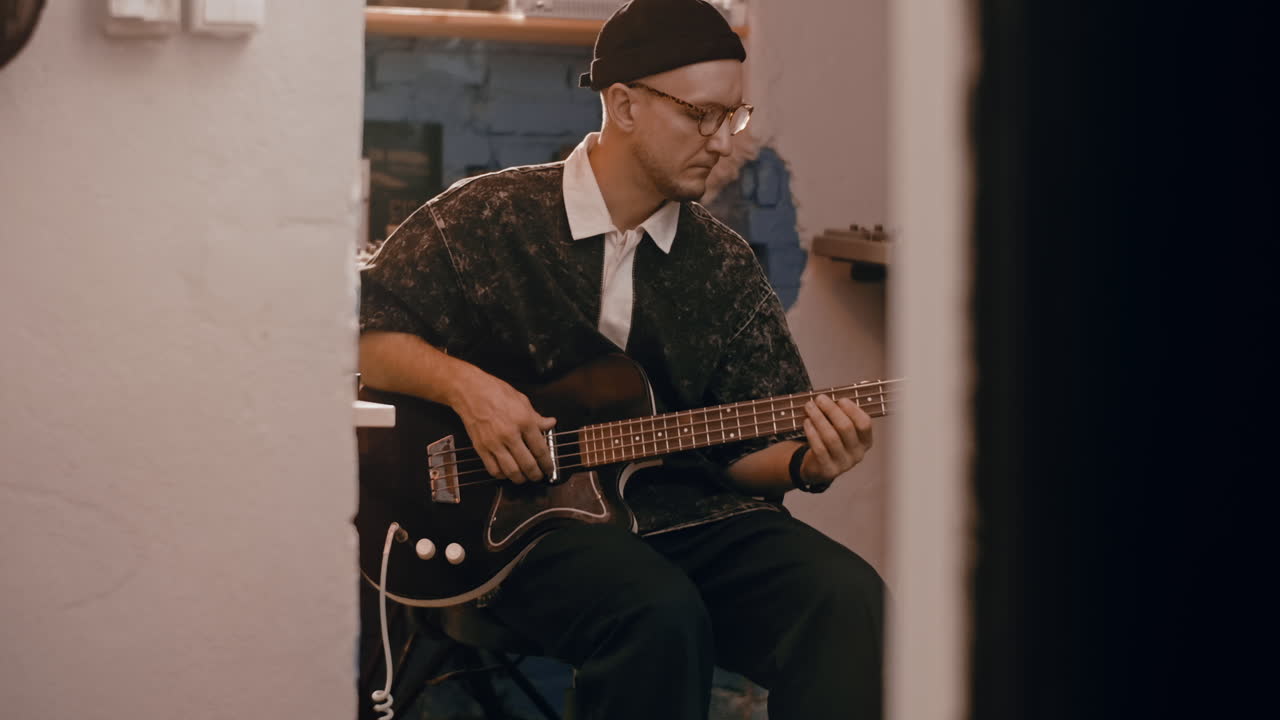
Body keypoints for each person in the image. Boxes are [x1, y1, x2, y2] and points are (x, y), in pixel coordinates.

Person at [357, 1, 885, 717]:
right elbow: (366, 337)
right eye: (700, 114)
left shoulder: (723, 267)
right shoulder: (487, 216)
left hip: (692, 518)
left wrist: (805, 461)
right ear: (625, 104)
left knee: (850, 601)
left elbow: (742, 448)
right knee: (654, 612)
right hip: (514, 527)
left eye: (733, 116)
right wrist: (468, 389)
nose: (721, 140)